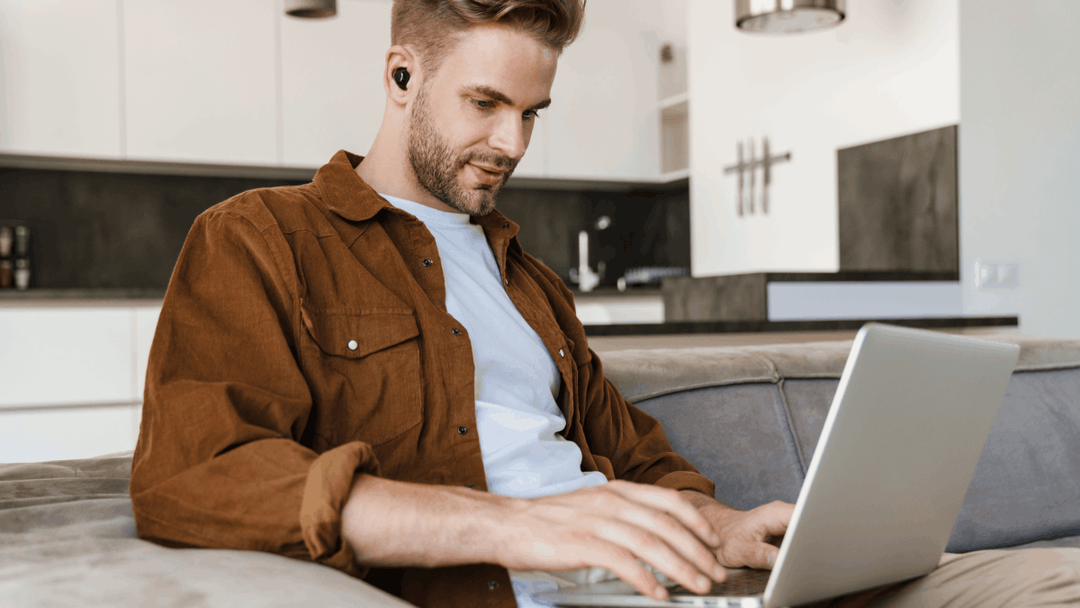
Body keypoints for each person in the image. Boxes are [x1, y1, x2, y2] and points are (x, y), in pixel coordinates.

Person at [130, 1, 1080, 607]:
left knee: (1047, 581)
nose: (514, 142)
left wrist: (717, 525)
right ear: (400, 75)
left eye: (534, 111)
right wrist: (514, 524)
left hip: (673, 586)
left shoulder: (530, 283)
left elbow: (629, 453)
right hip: (528, 589)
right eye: (487, 103)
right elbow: (195, 477)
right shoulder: (262, 239)